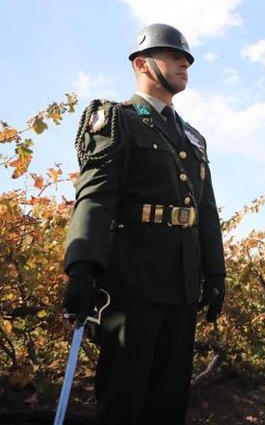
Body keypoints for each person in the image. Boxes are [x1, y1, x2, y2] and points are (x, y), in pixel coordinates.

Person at [62, 24, 226, 424]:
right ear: (142, 64)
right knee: (125, 397)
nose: (184, 63)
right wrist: (82, 266)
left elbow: (205, 211)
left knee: (169, 401)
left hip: (182, 282)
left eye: (186, 58)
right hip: (131, 281)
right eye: (173, 56)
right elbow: (97, 197)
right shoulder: (116, 119)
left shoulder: (193, 137)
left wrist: (215, 272)